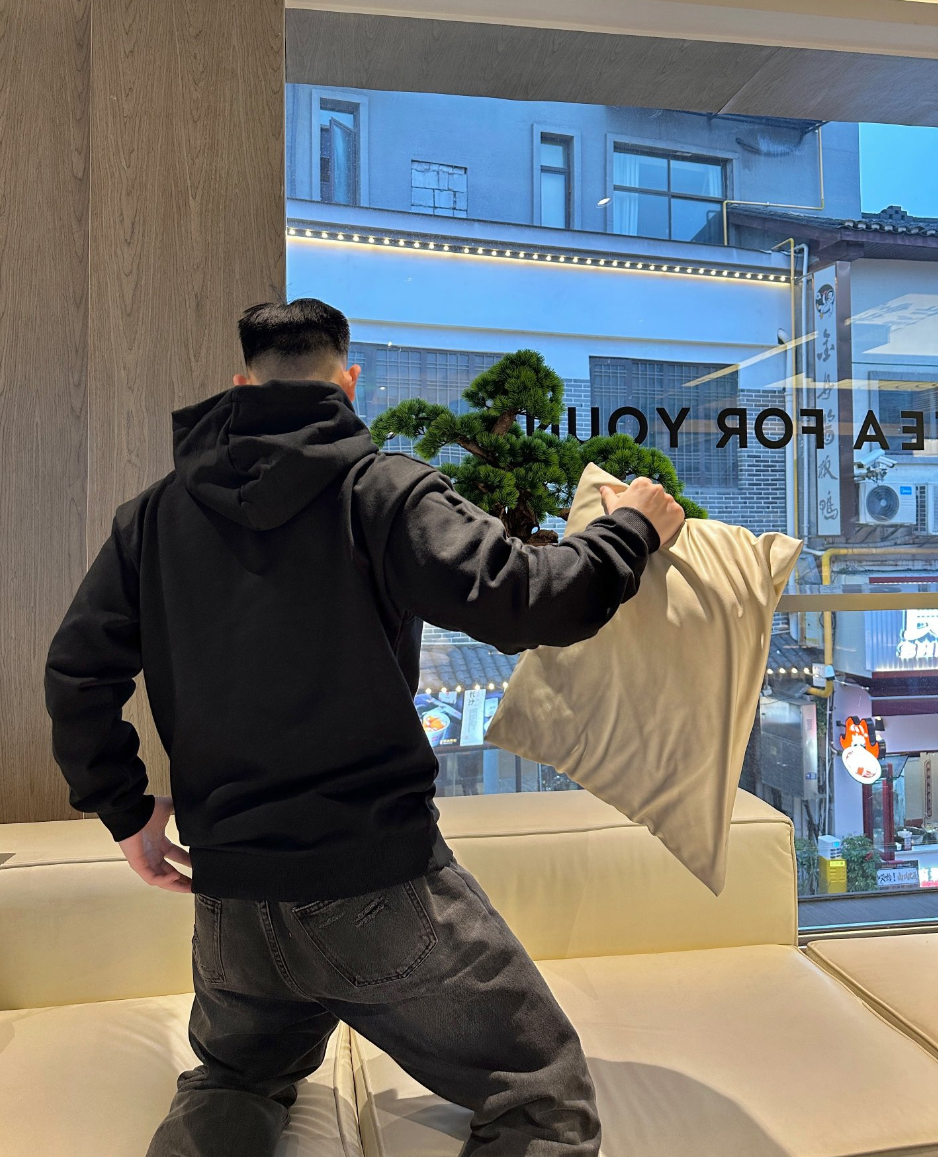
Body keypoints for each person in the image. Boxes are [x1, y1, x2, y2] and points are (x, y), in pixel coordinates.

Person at [45, 298, 684, 1157]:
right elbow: (533, 599)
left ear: (242, 386)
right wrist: (633, 528)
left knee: (235, 1081)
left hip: (233, 904)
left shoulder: (153, 518)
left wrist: (126, 811)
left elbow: (76, 673)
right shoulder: (383, 491)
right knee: (543, 1100)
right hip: (377, 888)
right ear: (348, 382)